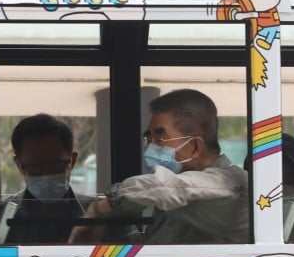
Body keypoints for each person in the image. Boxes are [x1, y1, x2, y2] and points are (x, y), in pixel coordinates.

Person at [68, 88, 249, 244]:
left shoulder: (231, 185)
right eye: (149, 139)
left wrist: (99, 210)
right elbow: (155, 244)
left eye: (160, 138)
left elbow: (165, 186)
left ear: (195, 146)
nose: (151, 148)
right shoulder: (173, 199)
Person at [4, 113, 96, 244]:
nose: (46, 176)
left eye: (56, 166)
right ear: (19, 165)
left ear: (72, 160)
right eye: (36, 167)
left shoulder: (101, 217)